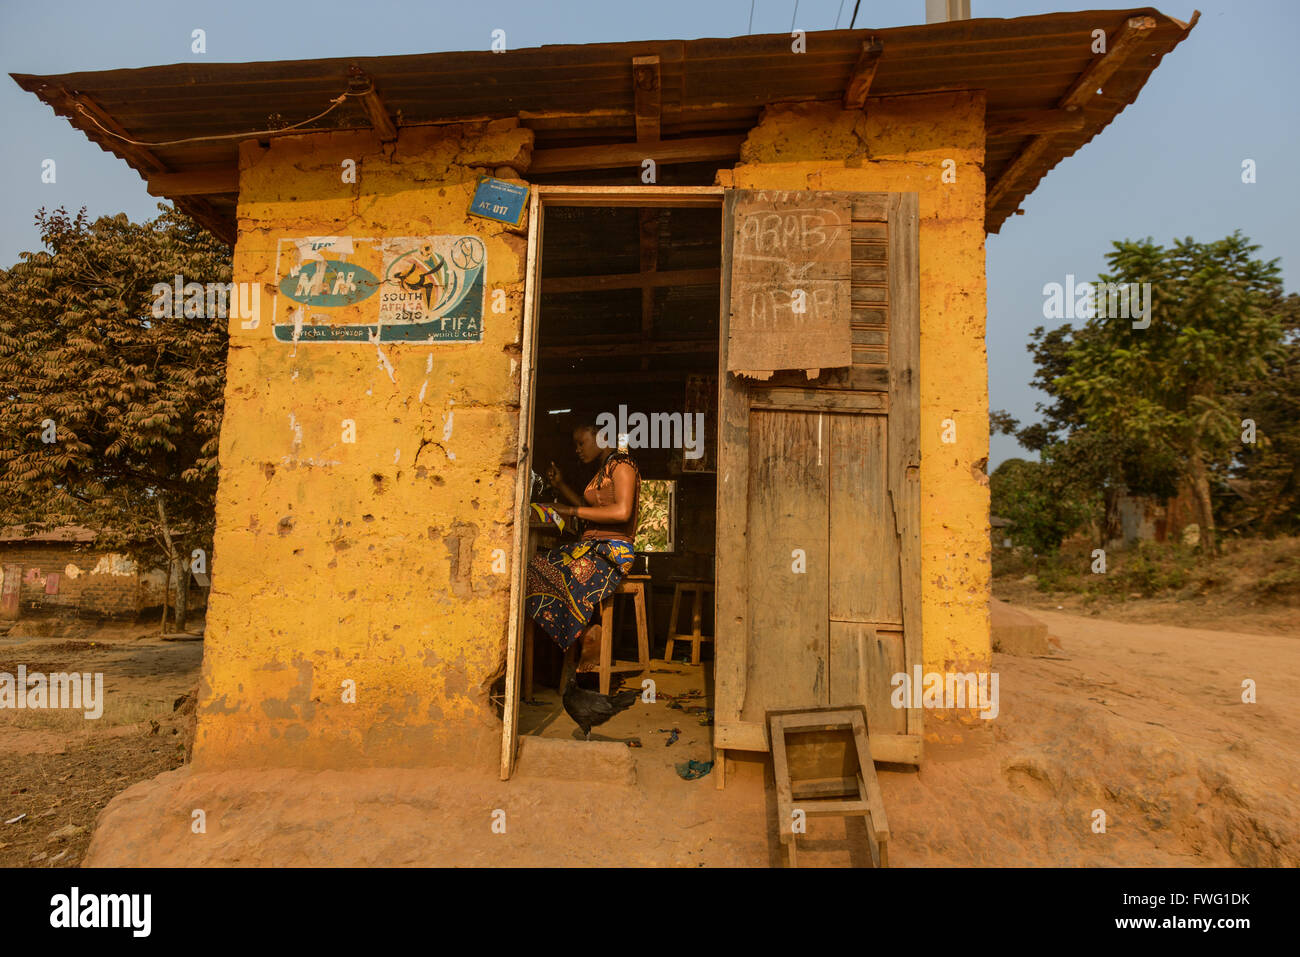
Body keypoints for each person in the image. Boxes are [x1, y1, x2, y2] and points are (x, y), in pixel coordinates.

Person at [525, 420, 641, 679]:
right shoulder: (602, 471)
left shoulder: (623, 465)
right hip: (590, 546)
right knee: (535, 567)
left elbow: (622, 512)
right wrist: (561, 487)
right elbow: (591, 512)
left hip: (613, 550)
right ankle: (586, 633)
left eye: (581, 442)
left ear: (601, 436)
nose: (577, 449)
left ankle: (586, 633)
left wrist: (570, 510)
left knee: (567, 570)